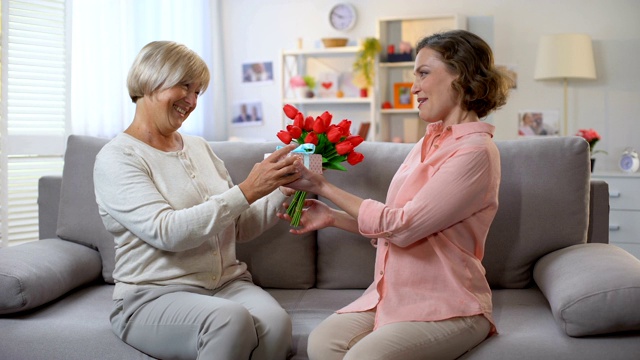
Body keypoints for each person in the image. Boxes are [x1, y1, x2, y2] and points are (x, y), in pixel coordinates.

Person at [279, 29, 511, 360]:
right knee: (321, 344)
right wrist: (333, 218)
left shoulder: (474, 151)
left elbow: (404, 227)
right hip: (394, 294)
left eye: (423, 73)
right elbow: (392, 227)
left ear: (461, 76)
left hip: (450, 303)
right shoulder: (428, 142)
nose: (414, 87)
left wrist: (322, 186)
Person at [93, 41, 300, 360]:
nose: (191, 101)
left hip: (227, 284)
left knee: (277, 326)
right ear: (150, 80)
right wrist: (247, 189)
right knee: (228, 321)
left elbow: (240, 227)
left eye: (198, 92)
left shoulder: (199, 147)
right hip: (153, 295)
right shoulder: (118, 158)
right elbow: (166, 232)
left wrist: (280, 191)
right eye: (184, 86)